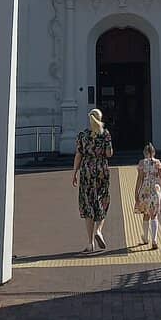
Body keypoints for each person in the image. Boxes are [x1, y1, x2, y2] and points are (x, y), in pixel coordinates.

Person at [72, 108, 114, 252]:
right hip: (101, 170)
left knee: (88, 204)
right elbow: (109, 154)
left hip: (87, 171)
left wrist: (74, 173)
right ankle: (99, 230)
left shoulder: (83, 135)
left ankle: (90, 243)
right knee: (103, 200)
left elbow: (79, 155)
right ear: (100, 118)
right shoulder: (105, 134)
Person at [134, 143, 161, 249]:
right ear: (153, 152)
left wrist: (136, 192)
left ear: (144, 153)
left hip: (145, 191)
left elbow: (139, 179)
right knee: (154, 215)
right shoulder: (157, 163)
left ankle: (145, 238)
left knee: (145, 214)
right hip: (154, 191)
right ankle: (154, 240)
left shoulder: (142, 163)